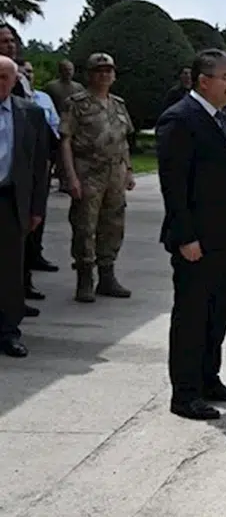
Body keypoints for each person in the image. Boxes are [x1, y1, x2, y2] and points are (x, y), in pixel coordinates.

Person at [156, 49, 226, 421]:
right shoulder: (180, 119)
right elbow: (174, 186)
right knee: (192, 317)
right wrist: (185, 237)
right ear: (203, 81)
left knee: (218, 313)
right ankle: (185, 394)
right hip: (196, 240)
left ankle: (209, 378)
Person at [61, 53, 136, 303]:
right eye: (99, 71)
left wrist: (129, 170)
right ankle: (85, 278)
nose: (104, 75)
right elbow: (66, 140)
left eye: (108, 71)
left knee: (113, 224)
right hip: (87, 172)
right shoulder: (77, 103)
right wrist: (70, 176)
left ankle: (107, 275)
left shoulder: (118, 104)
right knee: (85, 226)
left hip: (115, 172)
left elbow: (123, 139)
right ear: (89, 74)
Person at [0, 56, 51, 358]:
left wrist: (37, 209)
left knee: (10, 270)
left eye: (6, 77)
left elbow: (39, 168)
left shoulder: (30, 114)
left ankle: (9, 332)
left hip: (10, 200)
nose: (1, 83)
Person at [20, 61, 60, 301]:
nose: (27, 75)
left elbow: (53, 128)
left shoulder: (41, 102)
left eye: (29, 72)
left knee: (36, 219)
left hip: (39, 165)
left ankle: (33, 263)